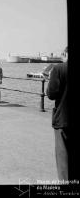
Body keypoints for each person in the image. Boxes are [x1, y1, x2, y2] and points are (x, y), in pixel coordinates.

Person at [46, 47, 69, 180]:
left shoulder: (59, 69)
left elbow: (51, 94)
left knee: (63, 162)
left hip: (63, 120)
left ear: (65, 54)